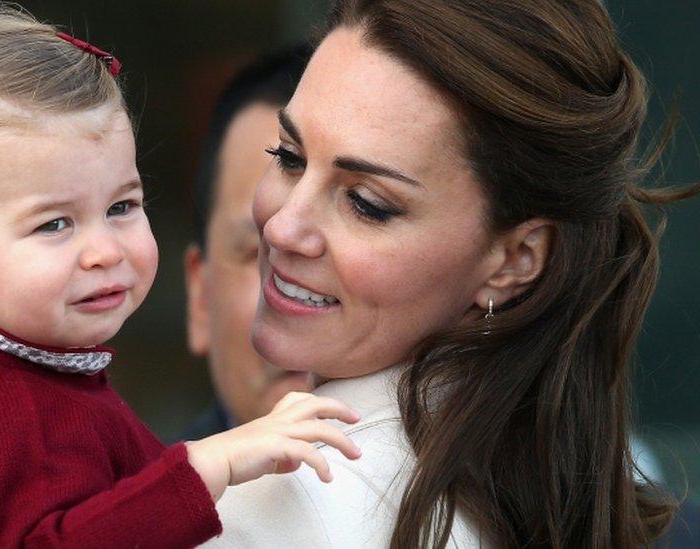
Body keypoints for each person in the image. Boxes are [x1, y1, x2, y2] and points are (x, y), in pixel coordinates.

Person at [0, 4, 362, 547]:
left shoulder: (9, 373)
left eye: (122, 206)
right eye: (55, 223)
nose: (104, 251)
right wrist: (207, 466)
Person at [204, 0, 699, 547]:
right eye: (289, 155)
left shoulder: (279, 504)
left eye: (367, 203)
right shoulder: (547, 486)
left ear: (516, 259)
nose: (280, 228)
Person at [183, 46, 312, 439]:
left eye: (368, 208)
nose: (303, 295)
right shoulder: (128, 500)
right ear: (200, 296)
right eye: (261, 251)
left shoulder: (491, 497)